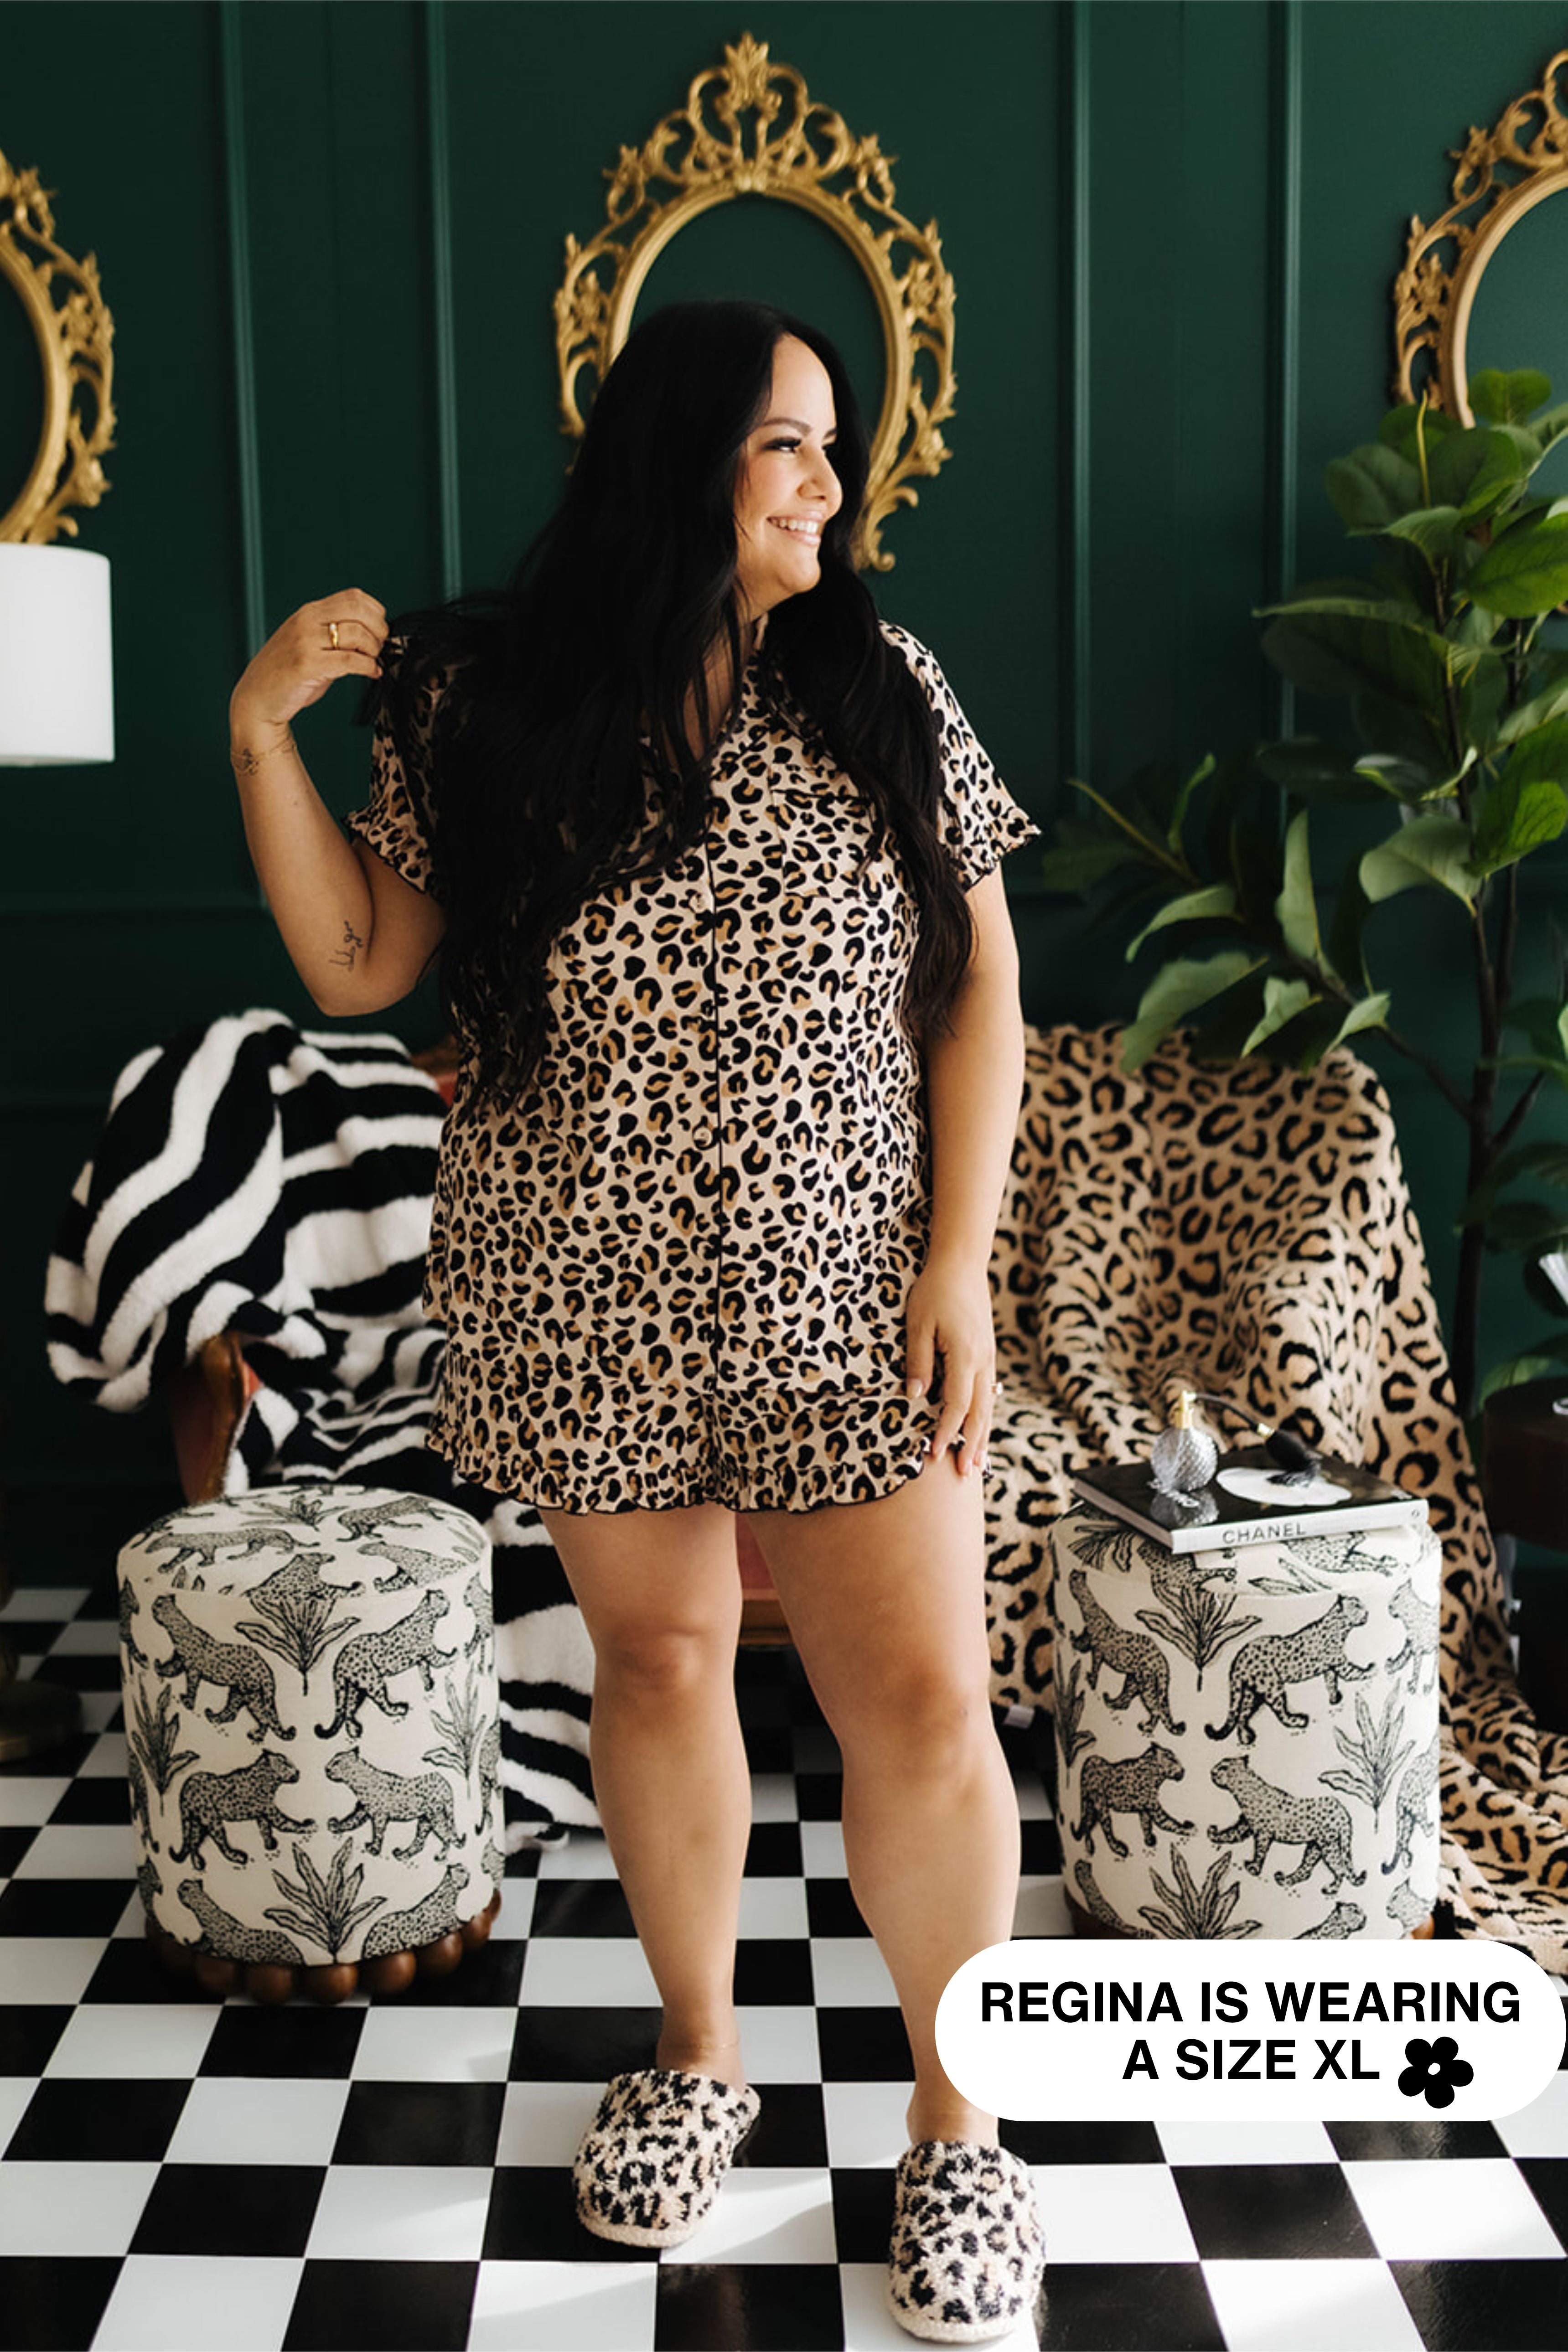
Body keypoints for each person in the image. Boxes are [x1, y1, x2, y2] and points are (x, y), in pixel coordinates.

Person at [228, 299, 1045, 2343]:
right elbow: (356, 960)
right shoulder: (493, 704)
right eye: (788, 443)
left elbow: (979, 1004)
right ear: (680, 459)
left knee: (924, 1717)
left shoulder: (880, 690)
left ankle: (958, 2125)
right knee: (660, 1666)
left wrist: (956, 1266)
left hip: (840, 1289)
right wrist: (262, 734)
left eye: (829, 446)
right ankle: (701, 2056)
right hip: (577, 1281)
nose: (829, 482)